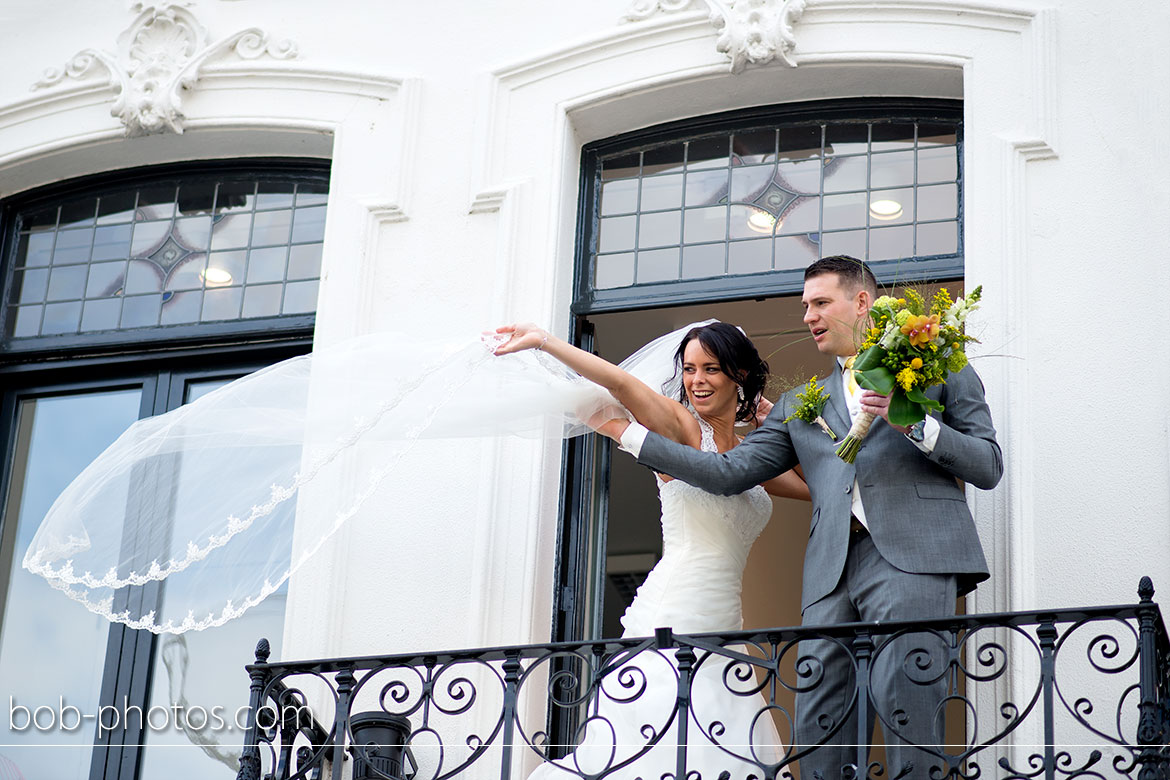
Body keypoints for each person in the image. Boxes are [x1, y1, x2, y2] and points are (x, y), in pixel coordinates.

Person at [613, 257, 1003, 780]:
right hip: (829, 572)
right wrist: (630, 436)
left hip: (915, 557)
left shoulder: (940, 363)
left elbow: (988, 465)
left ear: (861, 302)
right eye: (804, 306)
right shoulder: (800, 406)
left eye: (820, 303)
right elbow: (731, 471)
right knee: (820, 721)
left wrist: (911, 421)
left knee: (907, 702)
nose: (808, 316)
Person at [493, 320, 808, 779]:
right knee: (657, 746)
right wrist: (545, 341)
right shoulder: (680, 426)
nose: (696, 381)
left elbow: (814, 482)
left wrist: (774, 419)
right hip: (673, 610)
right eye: (689, 369)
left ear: (739, 375)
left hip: (724, 625)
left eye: (711, 369)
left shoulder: (747, 454)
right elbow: (620, 382)